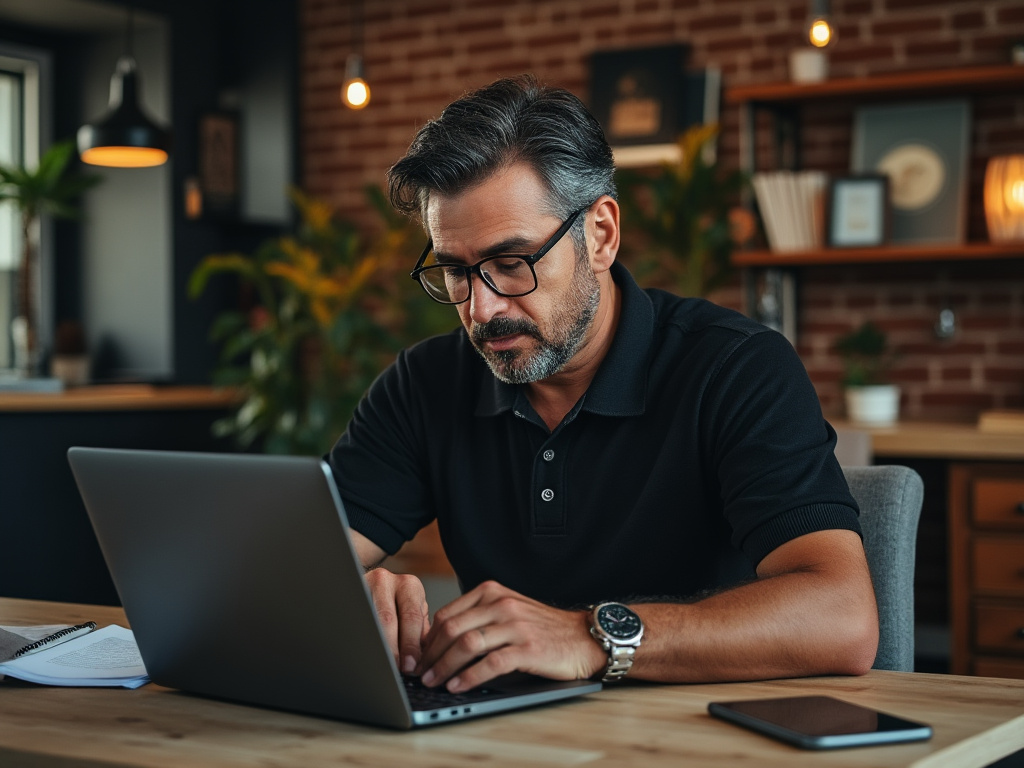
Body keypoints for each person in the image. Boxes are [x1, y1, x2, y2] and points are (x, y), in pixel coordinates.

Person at [327, 75, 878, 695]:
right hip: (499, 741)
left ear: (601, 235)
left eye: (512, 264)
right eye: (456, 272)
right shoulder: (423, 385)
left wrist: (590, 637)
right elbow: (281, 571)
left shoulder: (736, 369)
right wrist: (346, 592)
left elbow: (843, 617)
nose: (481, 310)